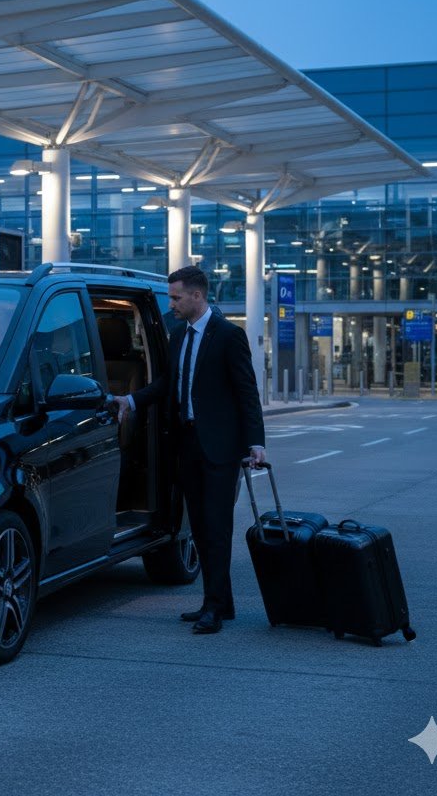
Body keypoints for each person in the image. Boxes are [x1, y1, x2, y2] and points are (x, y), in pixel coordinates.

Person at [115, 266, 266, 635]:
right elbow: (168, 382)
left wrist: (256, 443)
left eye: (176, 297)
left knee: (216, 528)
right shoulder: (179, 335)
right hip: (187, 444)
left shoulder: (229, 335)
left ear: (197, 296)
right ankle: (220, 602)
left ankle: (213, 607)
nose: (171, 304)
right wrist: (131, 401)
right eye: (171, 297)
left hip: (219, 449)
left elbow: (247, 392)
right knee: (197, 527)